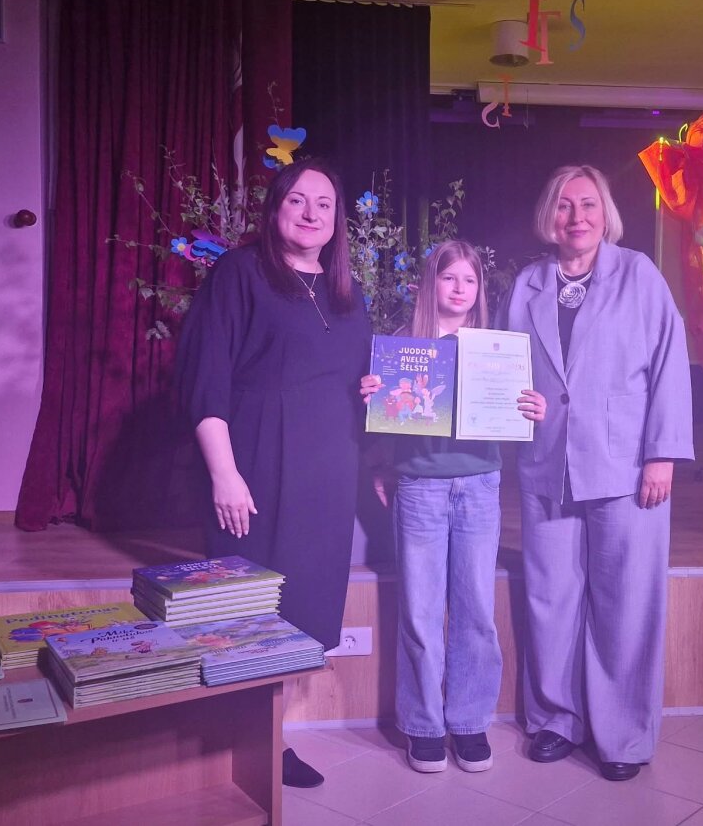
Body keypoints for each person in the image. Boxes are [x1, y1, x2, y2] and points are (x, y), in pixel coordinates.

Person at [176, 158, 372, 788]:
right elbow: (205, 376)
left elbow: (359, 383)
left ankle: (269, 739)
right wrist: (224, 474)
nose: (312, 213)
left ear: (337, 220)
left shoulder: (349, 293)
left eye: (324, 203)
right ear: (275, 209)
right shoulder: (240, 273)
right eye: (298, 201)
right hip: (255, 465)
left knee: (305, 609)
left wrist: (375, 394)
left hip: (328, 476)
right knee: (248, 609)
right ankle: (226, 745)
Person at [503, 164, 694, 782]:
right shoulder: (528, 284)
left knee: (626, 603)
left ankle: (622, 736)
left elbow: (669, 363)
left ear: (604, 213)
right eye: (564, 205)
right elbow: (506, 370)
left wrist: (663, 453)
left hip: (627, 467)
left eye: (587, 204)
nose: (576, 217)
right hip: (546, 465)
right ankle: (557, 721)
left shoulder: (639, 274)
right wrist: (515, 402)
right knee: (549, 599)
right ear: (549, 216)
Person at [360, 240, 546, 774]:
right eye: (449, 278)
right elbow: (386, 422)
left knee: (476, 611)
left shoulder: (497, 349)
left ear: (479, 289)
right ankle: (423, 726)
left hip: (480, 485)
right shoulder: (403, 344)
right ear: (430, 283)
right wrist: (372, 398)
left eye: (469, 279)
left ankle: (468, 722)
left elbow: (517, 410)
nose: (460, 288)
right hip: (420, 487)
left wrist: (532, 406)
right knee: (420, 612)